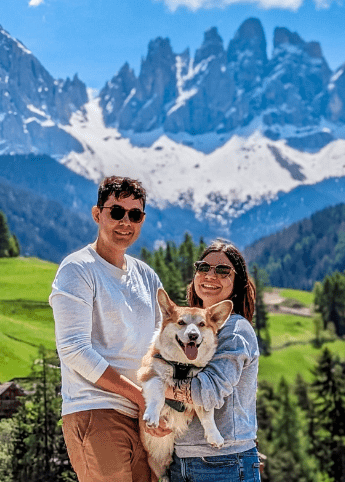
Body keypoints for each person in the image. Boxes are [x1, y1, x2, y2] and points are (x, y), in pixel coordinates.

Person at [49, 175, 165, 482]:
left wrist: (161, 401)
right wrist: (140, 396)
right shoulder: (77, 269)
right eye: (116, 212)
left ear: (143, 220)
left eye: (134, 214)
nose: (125, 222)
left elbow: (161, 348)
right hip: (96, 410)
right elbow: (74, 350)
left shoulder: (147, 277)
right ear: (97, 214)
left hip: (143, 417)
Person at [167, 239, 261, 482]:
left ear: (237, 283)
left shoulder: (234, 330)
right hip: (183, 459)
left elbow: (206, 393)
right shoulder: (186, 329)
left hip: (224, 461)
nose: (210, 275)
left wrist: (156, 387)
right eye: (203, 268)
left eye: (222, 271)